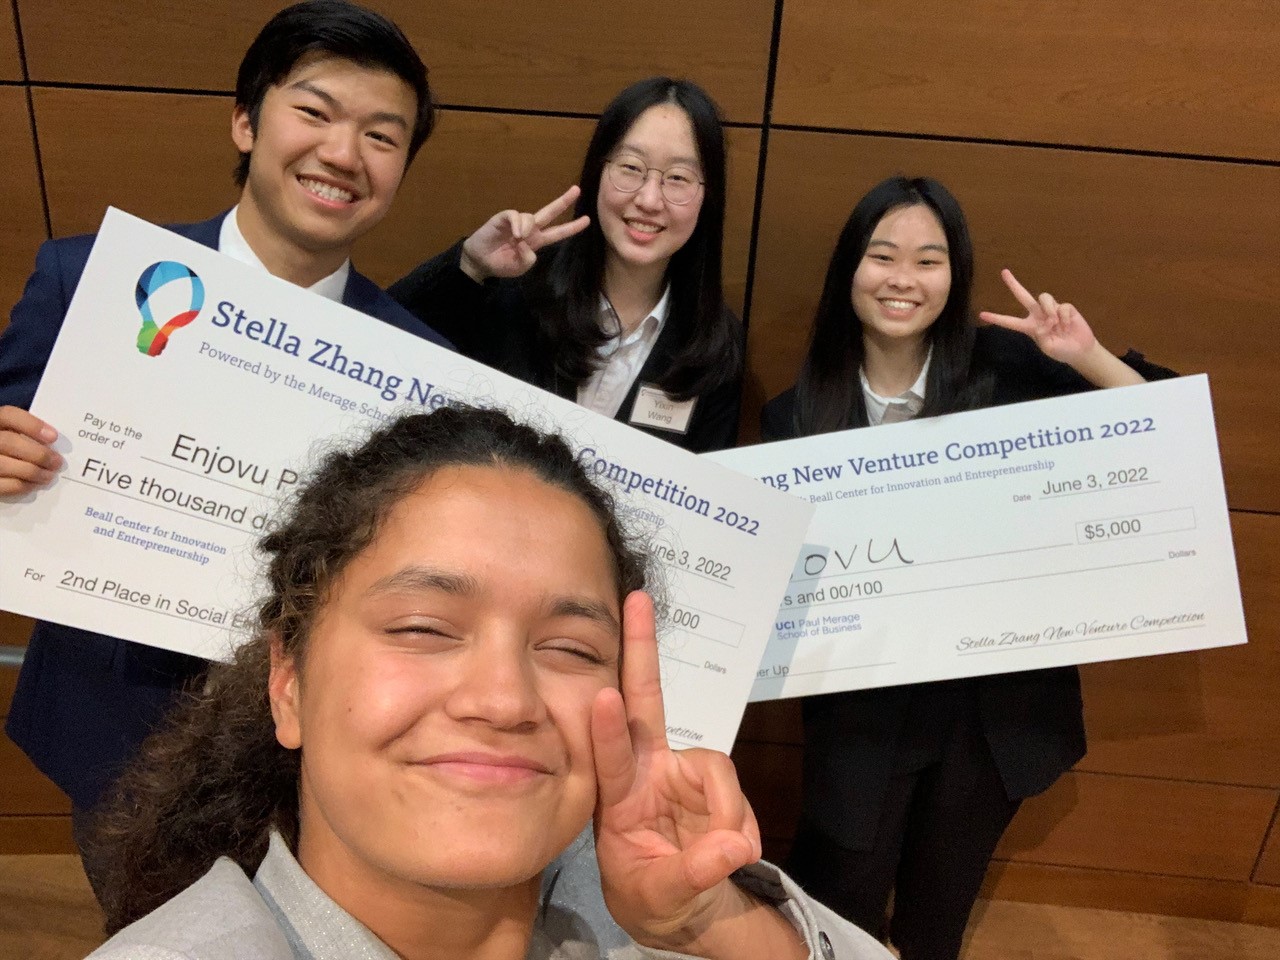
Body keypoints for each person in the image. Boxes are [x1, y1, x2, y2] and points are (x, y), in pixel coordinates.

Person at [82, 405, 893, 960]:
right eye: (423, 629)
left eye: (571, 648)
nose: (504, 700)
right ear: (287, 681)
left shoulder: (654, 910)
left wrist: (714, 922)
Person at [0, 0, 451, 893]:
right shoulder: (87, 281)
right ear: (246, 120)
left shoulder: (420, 369)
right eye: (314, 112)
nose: (342, 154)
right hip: (115, 728)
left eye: (381, 135)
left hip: (313, 749)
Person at [761, 176, 1176, 960]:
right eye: (882, 256)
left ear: (954, 278)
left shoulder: (1010, 369)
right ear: (849, 270)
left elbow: (1165, 432)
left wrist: (1083, 356)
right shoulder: (795, 414)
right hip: (863, 711)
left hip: (990, 712)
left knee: (934, 922)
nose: (902, 278)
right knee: (834, 905)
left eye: (928, 260)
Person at [388, 77, 744, 453]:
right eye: (631, 167)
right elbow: (381, 339)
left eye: (677, 178)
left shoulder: (715, 345)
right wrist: (470, 266)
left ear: (708, 196)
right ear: (597, 172)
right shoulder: (518, 286)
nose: (649, 199)